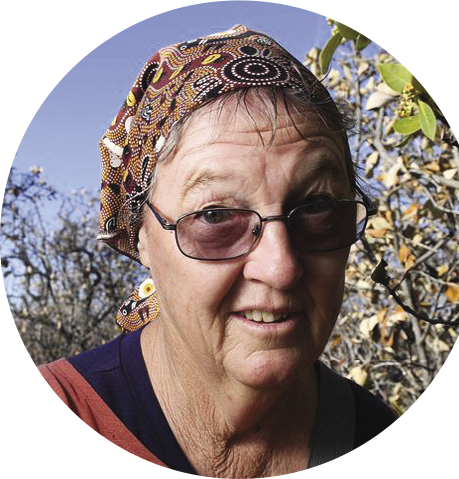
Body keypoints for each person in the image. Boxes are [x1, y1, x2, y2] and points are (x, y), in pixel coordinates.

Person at [38, 25, 396, 476]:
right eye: (214, 216)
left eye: (318, 207)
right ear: (140, 235)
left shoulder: (370, 427)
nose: (280, 268)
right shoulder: (72, 404)